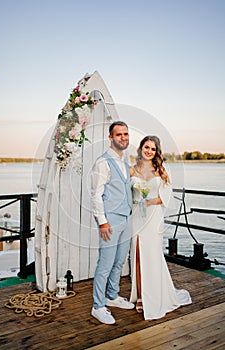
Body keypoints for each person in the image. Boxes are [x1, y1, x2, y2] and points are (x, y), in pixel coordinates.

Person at [129, 135, 192, 320]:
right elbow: (125, 192)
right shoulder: (132, 170)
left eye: (153, 149)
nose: (149, 151)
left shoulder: (161, 171)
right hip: (137, 217)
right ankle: (140, 296)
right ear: (140, 148)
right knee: (138, 256)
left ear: (156, 152)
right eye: (146, 147)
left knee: (153, 256)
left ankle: (155, 296)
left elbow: (167, 196)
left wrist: (149, 201)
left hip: (154, 217)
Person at [91, 121, 134, 325]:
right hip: (110, 221)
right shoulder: (103, 162)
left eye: (125, 134)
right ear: (111, 137)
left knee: (119, 261)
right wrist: (102, 222)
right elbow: (96, 195)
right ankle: (98, 306)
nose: (123, 137)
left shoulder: (125, 162)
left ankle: (112, 296)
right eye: (119, 134)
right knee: (105, 264)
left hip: (126, 218)